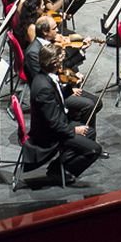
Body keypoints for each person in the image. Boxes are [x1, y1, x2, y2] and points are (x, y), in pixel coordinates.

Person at [27, 44, 103, 184]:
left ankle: (58, 165)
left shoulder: (46, 77)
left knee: (90, 133)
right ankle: (59, 172)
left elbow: (57, 96)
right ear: (55, 63)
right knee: (94, 150)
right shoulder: (43, 87)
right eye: (61, 59)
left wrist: (70, 87)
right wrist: (74, 130)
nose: (63, 63)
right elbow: (53, 123)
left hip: (57, 125)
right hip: (49, 134)